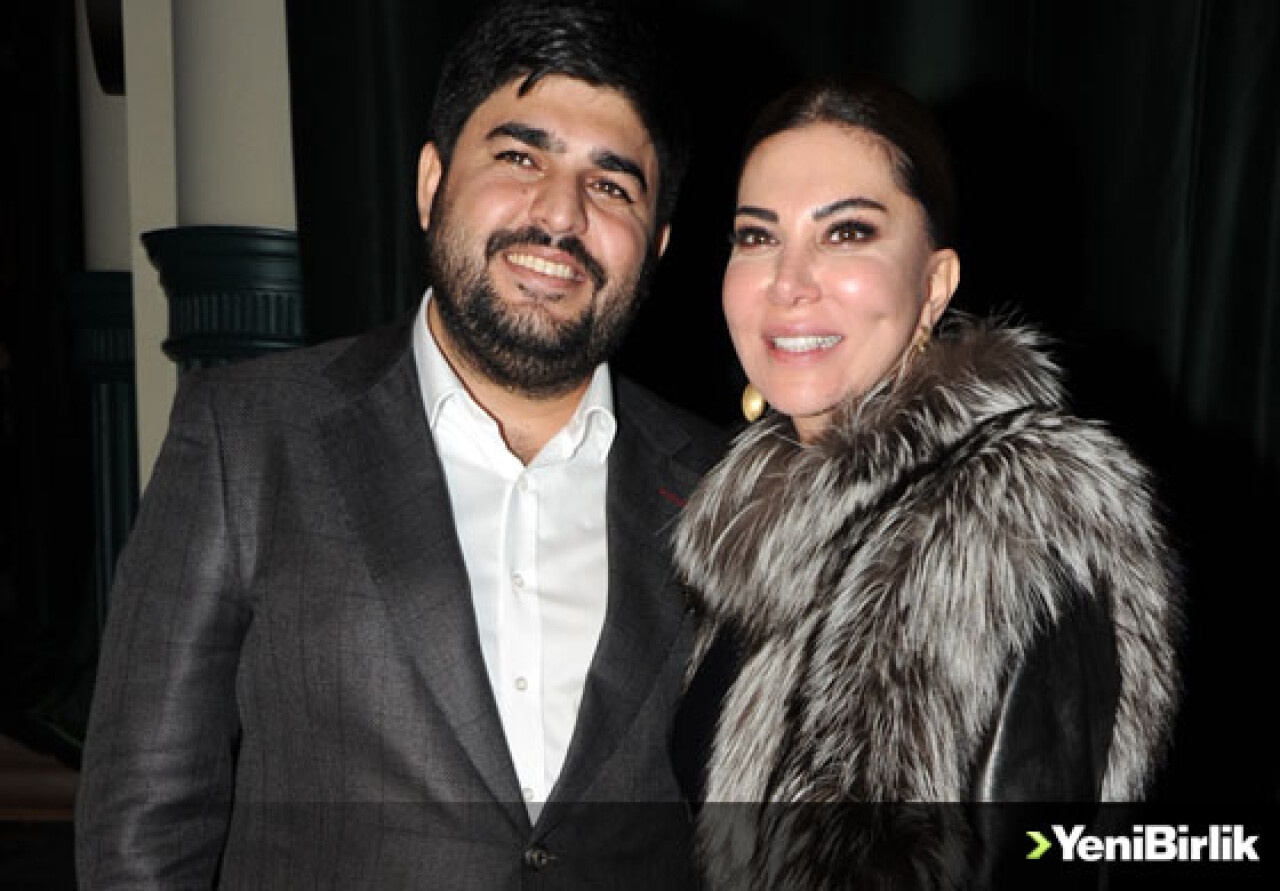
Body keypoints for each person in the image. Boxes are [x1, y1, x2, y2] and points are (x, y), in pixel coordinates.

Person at [75, 1, 725, 888]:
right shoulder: (249, 434)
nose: (559, 215)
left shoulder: (725, 483)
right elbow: (142, 821)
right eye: (519, 157)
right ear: (431, 182)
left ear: (657, 244)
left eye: (612, 186)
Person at [672, 77, 1182, 889]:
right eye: (757, 236)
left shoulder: (1011, 524)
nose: (788, 280)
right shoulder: (750, 522)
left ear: (935, 285)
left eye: (846, 232)